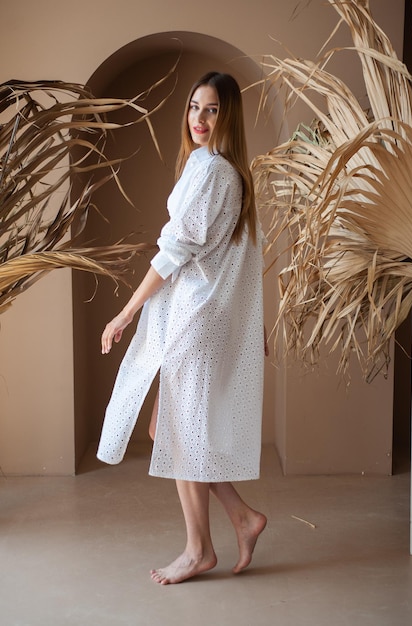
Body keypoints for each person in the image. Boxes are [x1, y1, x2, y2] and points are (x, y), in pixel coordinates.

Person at [97, 71, 268, 585]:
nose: (198, 118)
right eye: (194, 106)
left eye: (212, 109)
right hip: (194, 315)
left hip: (196, 318)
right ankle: (242, 517)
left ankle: (199, 550)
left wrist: (125, 312)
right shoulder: (203, 165)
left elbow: (176, 253)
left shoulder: (218, 173)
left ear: (228, 116)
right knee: (170, 429)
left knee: (177, 431)